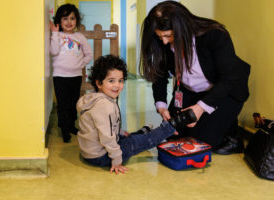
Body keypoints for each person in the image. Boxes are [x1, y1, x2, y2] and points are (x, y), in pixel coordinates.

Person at [139, 1, 250, 155]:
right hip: (191, 90)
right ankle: (216, 122)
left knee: (200, 141)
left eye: (168, 36)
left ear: (181, 28)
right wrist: (162, 107)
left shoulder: (214, 35)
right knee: (172, 134)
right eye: (160, 37)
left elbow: (229, 79)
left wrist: (200, 108)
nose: (164, 41)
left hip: (225, 90)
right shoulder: (163, 44)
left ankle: (230, 134)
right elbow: (160, 76)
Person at [76, 55, 190, 174]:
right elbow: (107, 138)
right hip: (101, 156)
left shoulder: (92, 98)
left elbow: (104, 126)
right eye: (111, 81)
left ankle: (142, 132)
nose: (117, 85)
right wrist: (116, 160)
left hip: (89, 153)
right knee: (137, 142)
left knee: (128, 137)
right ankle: (168, 127)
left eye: (120, 80)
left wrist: (120, 132)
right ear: (99, 83)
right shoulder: (105, 106)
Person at [50, 4, 93, 143]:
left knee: (73, 102)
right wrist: (55, 34)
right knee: (62, 104)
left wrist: (79, 64)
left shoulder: (79, 36)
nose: (69, 22)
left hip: (75, 76)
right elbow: (54, 51)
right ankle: (64, 128)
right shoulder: (57, 35)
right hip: (59, 76)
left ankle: (71, 125)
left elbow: (88, 54)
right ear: (59, 21)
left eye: (72, 18)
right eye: (65, 18)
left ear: (77, 20)